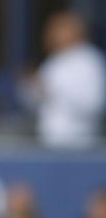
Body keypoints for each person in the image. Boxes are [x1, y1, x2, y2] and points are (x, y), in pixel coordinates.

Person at [19, 11, 106, 148]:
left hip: (81, 143)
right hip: (49, 141)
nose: (51, 34)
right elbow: (36, 103)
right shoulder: (53, 61)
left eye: (58, 29)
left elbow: (94, 105)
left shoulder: (90, 61)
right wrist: (31, 87)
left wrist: (54, 91)